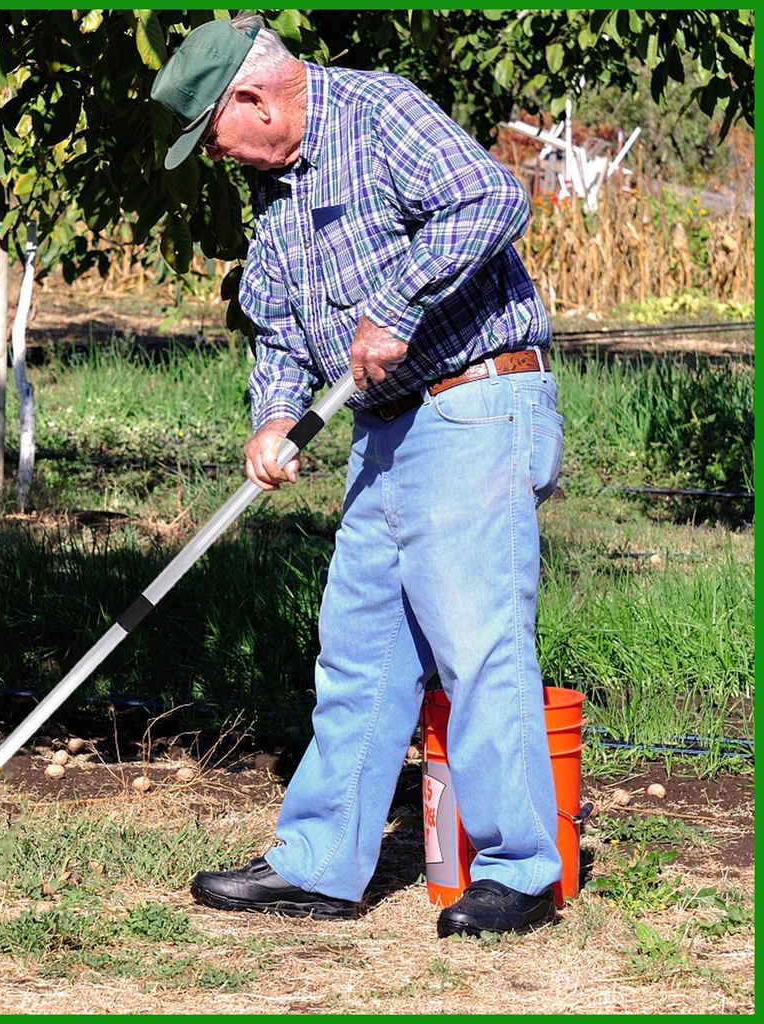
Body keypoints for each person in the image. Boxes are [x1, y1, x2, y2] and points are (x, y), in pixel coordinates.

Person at [151, 14, 565, 939]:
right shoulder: (277, 184)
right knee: (359, 651)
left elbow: (492, 201)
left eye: (211, 134)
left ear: (254, 99)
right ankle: (319, 865)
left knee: (476, 641)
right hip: (385, 430)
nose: (220, 158)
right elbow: (278, 324)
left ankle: (520, 872)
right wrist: (272, 413)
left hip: (472, 404)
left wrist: (395, 304)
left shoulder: (379, 112)